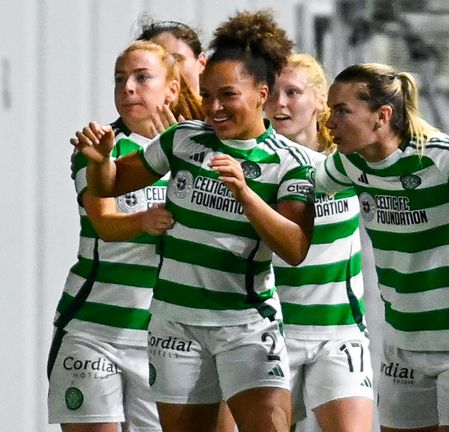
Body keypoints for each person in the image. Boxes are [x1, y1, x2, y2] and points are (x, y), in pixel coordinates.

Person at [70, 10, 315, 432]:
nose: (214, 107)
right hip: (175, 323)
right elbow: (111, 185)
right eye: (206, 95)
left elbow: (294, 248)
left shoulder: (291, 163)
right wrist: (99, 162)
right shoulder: (185, 138)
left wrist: (245, 193)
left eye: (227, 95)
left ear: (261, 93)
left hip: (246, 326)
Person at [314, 62, 449, 431]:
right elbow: (306, 181)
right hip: (402, 343)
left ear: (382, 116)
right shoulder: (348, 164)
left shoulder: (442, 156)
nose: (330, 122)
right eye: (329, 111)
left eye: (342, 111)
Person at [48, 40, 203, 432]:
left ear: (172, 87)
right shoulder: (100, 146)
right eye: (120, 79)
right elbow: (104, 222)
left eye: (141, 77)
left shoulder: (195, 150)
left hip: (162, 337)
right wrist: (143, 222)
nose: (128, 87)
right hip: (93, 328)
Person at [264, 53, 374, 432]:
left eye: (292, 92)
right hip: (272, 332)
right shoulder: (255, 164)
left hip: (339, 332)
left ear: (320, 101)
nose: (280, 103)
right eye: (273, 93)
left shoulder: (349, 161)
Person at [138, 18, 237, 432]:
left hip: (236, 309)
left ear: (201, 62)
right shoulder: (140, 137)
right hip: (163, 311)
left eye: (177, 59)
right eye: (162, 63)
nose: (173, 72)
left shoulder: (232, 126)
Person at [137, 19, 207, 93]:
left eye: (176, 60)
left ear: (201, 63)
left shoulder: (216, 104)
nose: (169, 70)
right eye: (158, 62)